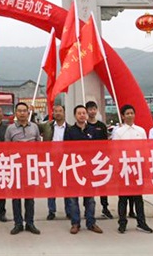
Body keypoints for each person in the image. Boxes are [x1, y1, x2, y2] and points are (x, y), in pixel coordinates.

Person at [112, 104, 153, 234]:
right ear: (123, 116)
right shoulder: (119, 132)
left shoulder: (140, 131)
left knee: (138, 197)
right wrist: (117, 169)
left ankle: (141, 222)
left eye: (132, 113)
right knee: (123, 198)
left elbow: (145, 149)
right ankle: (122, 223)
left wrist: (146, 166)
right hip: (124, 167)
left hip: (137, 167)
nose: (130, 115)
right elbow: (115, 151)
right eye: (127, 113)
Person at [65, 105, 103, 234]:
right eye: (79, 113)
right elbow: (66, 149)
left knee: (90, 199)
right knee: (73, 199)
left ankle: (91, 223)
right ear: (75, 115)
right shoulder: (70, 131)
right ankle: (75, 223)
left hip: (89, 169)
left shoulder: (93, 130)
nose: (82, 115)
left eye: (83, 113)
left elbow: (98, 148)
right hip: (75, 168)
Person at [5, 102, 42, 235]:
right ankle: (18, 223)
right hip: (16, 167)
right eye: (19, 111)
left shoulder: (34, 127)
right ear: (16, 113)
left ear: (28, 112)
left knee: (30, 198)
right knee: (16, 197)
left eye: (24, 111)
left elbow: (39, 144)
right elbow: (6, 147)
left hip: (30, 167)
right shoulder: (10, 129)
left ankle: (30, 223)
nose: (22, 113)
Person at [41, 104, 71, 221]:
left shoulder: (70, 128)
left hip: (66, 161)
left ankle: (69, 210)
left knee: (67, 186)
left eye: (60, 111)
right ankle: (51, 211)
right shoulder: (47, 126)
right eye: (55, 111)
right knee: (51, 186)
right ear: (52, 113)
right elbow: (32, 125)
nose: (58, 113)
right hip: (51, 160)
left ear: (64, 113)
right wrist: (31, 114)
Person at [85, 100, 113, 219]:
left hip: (100, 160)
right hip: (87, 160)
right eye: (90, 109)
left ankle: (105, 207)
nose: (92, 111)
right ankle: (88, 209)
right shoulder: (84, 126)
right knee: (88, 186)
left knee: (103, 185)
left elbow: (106, 143)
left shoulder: (101, 126)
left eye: (94, 109)